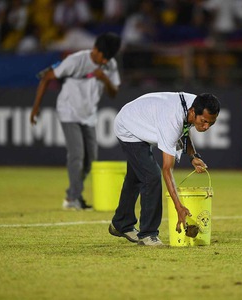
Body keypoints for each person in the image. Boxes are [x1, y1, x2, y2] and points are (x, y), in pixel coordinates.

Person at [109, 92, 221, 246]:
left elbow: (185, 131)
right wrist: (179, 206)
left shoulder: (196, 103)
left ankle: (121, 223)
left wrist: (193, 156)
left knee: (136, 176)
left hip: (139, 116)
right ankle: (148, 233)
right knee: (151, 176)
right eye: (204, 121)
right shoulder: (172, 120)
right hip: (128, 127)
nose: (206, 126)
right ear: (193, 112)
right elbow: (167, 170)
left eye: (211, 123)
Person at [30, 32, 122, 210]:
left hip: (89, 115)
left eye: (108, 59)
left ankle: (72, 195)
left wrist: (105, 79)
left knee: (90, 160)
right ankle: (73, 198)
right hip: (69, 111)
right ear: (95, 50)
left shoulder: (110, 64)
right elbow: (47, 77)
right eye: (103, 58)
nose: (105, 62)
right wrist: (36, 107)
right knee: (77, 155)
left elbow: (114, 93)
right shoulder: (75, 61)